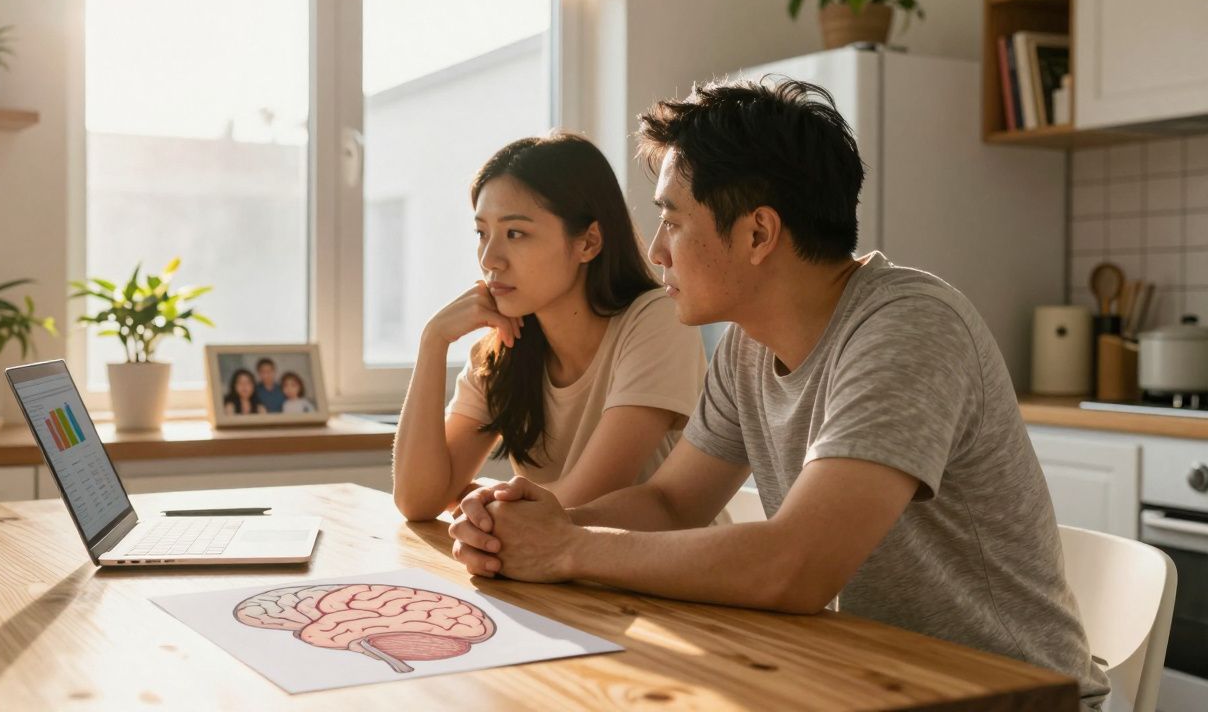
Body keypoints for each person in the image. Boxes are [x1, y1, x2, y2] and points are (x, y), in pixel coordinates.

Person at [445, 80, 1109, 709]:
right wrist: (533, 528)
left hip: (1006, 697)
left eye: (672, 222)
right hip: (870, 679)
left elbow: (797, 565)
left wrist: (566, 549)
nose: (655, 252)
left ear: (758, 233)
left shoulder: (910, 326)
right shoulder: (747, 345)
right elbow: (672, 502)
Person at [392, 131, 707, 521]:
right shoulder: (503, 346)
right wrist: (433, 341)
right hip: (544, 574)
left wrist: (486, 501)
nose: (490, 259)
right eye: (481, 233)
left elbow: (583, 501)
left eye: (515, 233)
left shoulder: (656, 320)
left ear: (589, 242)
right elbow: (416, 501)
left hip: (658, 576)